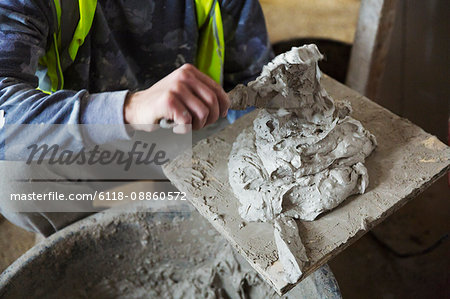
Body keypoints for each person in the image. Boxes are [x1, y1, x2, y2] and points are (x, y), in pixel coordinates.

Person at [0, 0, 273, 235]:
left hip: (192, 141)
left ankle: (185, 203)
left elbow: (252, 84)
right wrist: (128, 108)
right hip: (92, 151)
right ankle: (124, 225)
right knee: (14, 179)